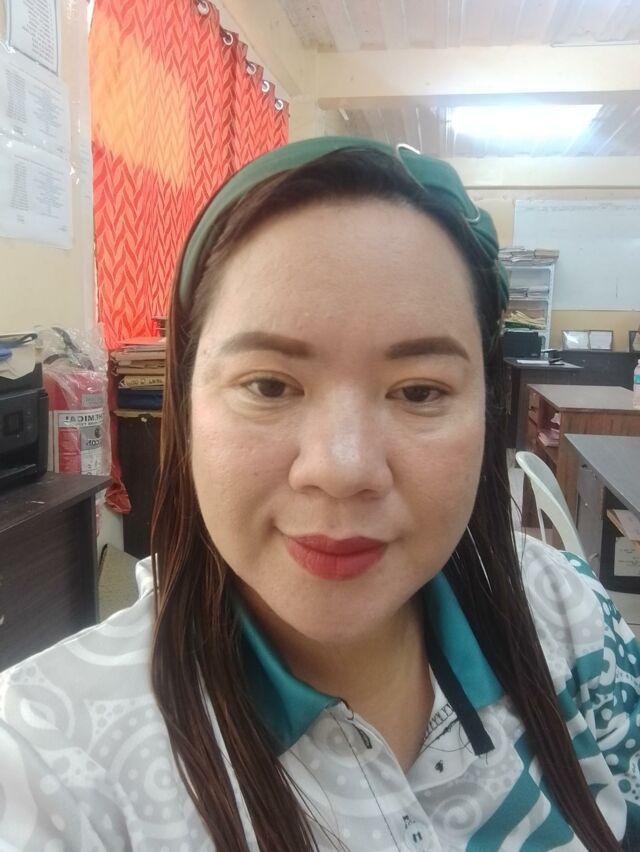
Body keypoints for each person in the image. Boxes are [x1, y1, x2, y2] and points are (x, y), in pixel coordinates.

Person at [0, 137, 638, 852]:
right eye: (269, 385)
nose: (342, 469)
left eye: (419, 391)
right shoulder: (47, 763)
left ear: (487, 409)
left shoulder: (567, 614)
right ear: (186, 404)